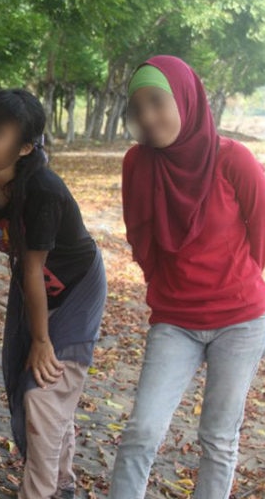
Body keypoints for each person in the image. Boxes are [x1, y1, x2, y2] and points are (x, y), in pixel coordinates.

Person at [109, 55, 265, 498]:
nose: (148, 118)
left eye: (158, 102)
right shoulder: (138, 164)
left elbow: (262, 232)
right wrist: (167, 284)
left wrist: (234, 283)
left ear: (186, 99)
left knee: (218, 438)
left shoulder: (234, 160)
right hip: (175, 319)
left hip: (241, 321)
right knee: (142, 430)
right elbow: (141, 235)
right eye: (138, 109)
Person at [0, 89, 107, 499]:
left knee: (43, 393)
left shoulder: (42, 189)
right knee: (22, 382)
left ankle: (42, 491)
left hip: (75, 287)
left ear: (26, 147)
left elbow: (34, 269)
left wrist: (42, 340)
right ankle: (63, 483)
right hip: (30, 285)